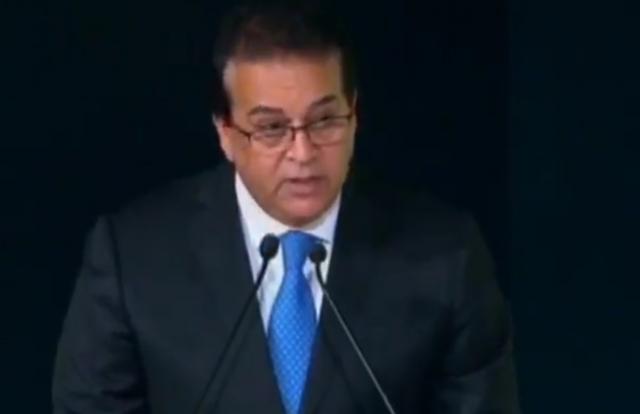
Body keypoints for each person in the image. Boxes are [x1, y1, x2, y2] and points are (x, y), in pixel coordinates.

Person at [52, 1, 520, 413]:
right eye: (272, 128)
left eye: (324, 120)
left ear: (355, 115)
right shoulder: (132, 259)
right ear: (225, 132)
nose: (303, 152)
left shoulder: (445, 257)